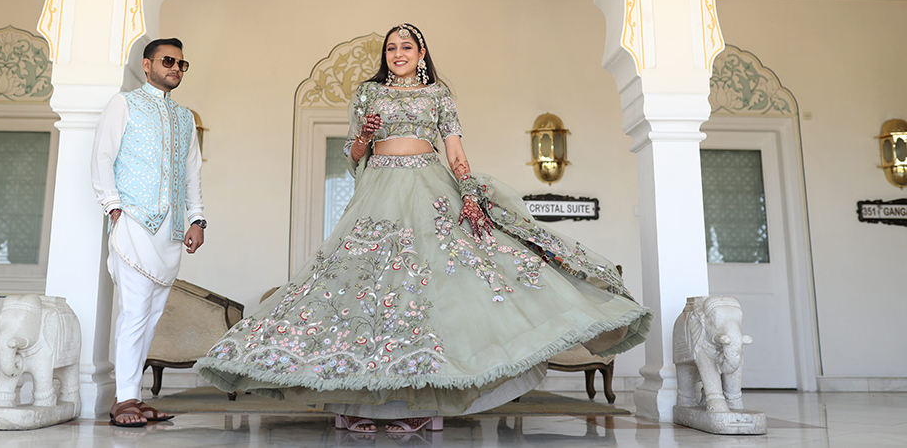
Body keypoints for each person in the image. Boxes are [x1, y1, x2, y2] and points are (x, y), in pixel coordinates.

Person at [196, 24, 651, 435]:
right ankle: (356, 403)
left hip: (428, 189)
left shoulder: (438, 95)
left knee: (427, 292)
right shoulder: (369, 93)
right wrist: (364, 136)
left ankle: (422, 402)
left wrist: (469, 195)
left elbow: (455, 151)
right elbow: (353, 156)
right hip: (378, 192)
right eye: (391, 48)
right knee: (362, 291)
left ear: (421, 53)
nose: (398, 53)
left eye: (406, 47)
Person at [91, 37, 207, 427]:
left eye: (181, 63)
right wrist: (113, 206)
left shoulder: (185, 117)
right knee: (135, 312)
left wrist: (197, 219)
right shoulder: (123, 103)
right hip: (135, 223)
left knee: (152, 316)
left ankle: (133, 398)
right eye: (168, 61)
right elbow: (102, 156)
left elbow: (192, 174)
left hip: (171, 231)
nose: (175, 68)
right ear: (147, 64)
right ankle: (124, 399)